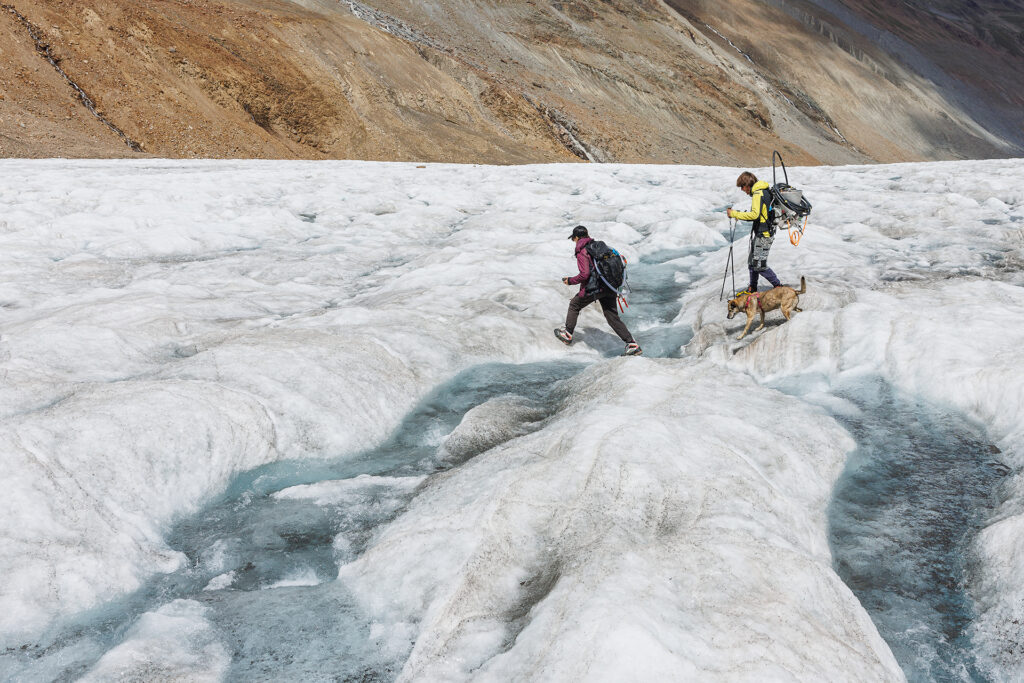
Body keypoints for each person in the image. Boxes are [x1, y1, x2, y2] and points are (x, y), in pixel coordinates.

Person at [554, 225, 642, 356]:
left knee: (574, 305)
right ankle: (632, 344)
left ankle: (567, 334)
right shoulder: (599, 246)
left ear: (577, 237)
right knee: (612, 317)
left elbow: (585, 274)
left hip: (595, 288)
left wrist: (570, 281)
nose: (574, 241)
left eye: (574, 239)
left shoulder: (582, 251)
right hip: (610, 286)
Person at [727, 171, 783, 293]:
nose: (742, 190)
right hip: (763, 232)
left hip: (764, 234)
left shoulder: (758, 193)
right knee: (752, 263)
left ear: (747, 184)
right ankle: (753, 288)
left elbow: (754, 215)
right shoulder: (764, 190)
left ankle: (778, 287)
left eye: (742, 187)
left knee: (759, 265)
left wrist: (735, 214)